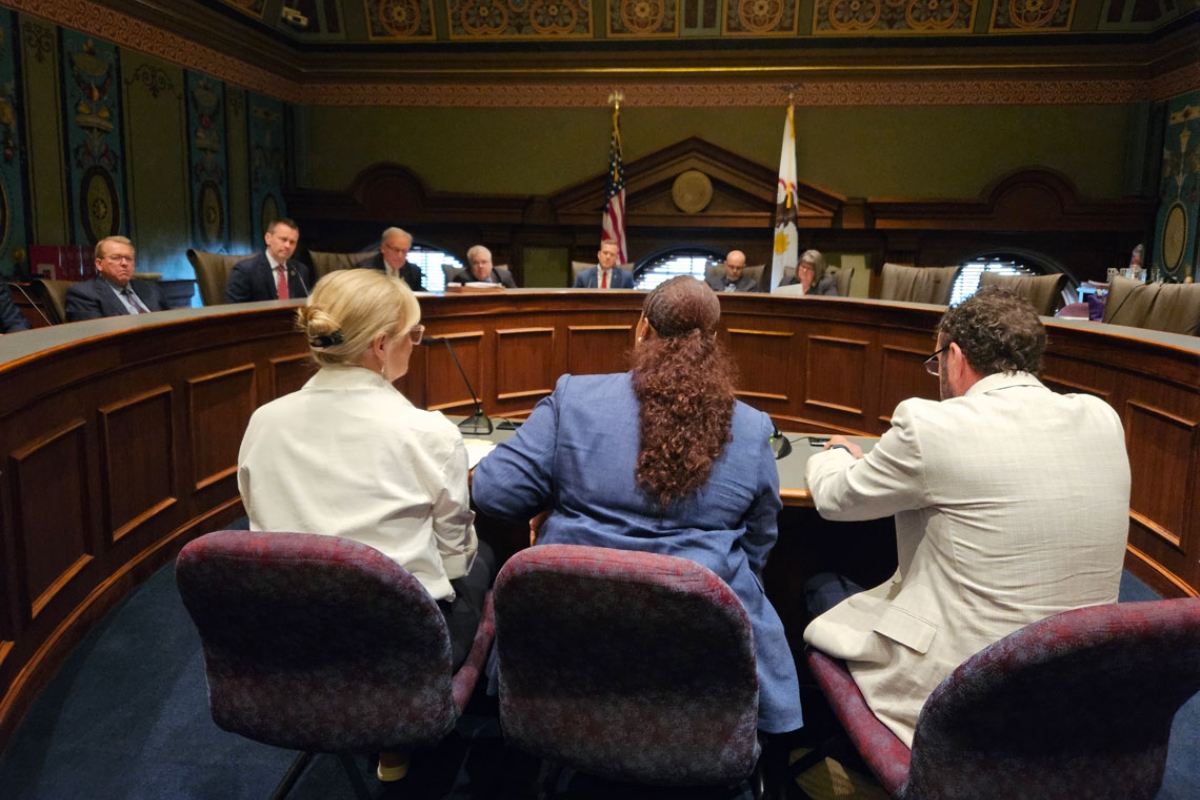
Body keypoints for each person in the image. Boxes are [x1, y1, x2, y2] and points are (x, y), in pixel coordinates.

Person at [473, 276, 803, 741]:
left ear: (641, 329)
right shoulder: (752, 429)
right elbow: (759, 541)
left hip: (567, 650)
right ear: (713, 341)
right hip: (698, 665)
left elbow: (494, 492)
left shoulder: (574, 398)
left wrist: (555, 501)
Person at [802, 286, 1130, 748]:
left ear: (955, 355)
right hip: (1076, 694)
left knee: (821, 589)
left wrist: (835, 456)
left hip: (965, 693)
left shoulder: (931, 425)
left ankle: (839, 754)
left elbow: (836, 500)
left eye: (937, 360)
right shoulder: (1103, 419)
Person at [237, 268, 490, 681]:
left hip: (287, 633)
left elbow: (260, 521)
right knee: (486, 560)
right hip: (398, 646)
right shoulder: (430, 433)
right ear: (380, 344)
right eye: (414, 333)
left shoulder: (263, 422)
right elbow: (455, 561)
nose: (416, 343)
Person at [65, 236, 171, 321]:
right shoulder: (83, 294)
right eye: (116, 258)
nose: (124, 263)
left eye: (129, 258)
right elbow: (93, 338)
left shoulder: (150, 289)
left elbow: (170, 320)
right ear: (99, 264)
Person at [224, 218, 311, 303]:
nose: (288, 246)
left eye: (292, 242)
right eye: (283, 239)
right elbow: (234, 310)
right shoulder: (245, 271)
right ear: (268, 238)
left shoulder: (300, 270)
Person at [363, 227, 424, 292]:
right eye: (396, 250)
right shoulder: (367, 269)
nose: (400, 256)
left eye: (404, 251)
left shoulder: (413, 271)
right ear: (383, 248)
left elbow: (418, 293)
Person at [452, 245, 516, 288]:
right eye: (475, 263)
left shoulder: (503, 276)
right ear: (470, 265)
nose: (480, 266)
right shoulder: (461, 279)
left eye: (484, 262)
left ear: (491, 263)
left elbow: (516, 297)